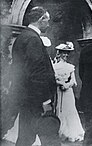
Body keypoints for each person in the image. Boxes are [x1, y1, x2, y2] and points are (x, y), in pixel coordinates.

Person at [7, 6, 60, 146]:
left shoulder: (22, 37)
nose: (48, 24)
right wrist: (45, 101)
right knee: (50, 139)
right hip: (37, 101)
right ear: (41, 19)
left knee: (26, 138)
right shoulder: (33, 39)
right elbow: (36, 72)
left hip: (26, 98)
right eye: (47, 21)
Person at [52, 42, 85, 142]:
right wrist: (60, 83)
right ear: (59, 53)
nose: (66, 55)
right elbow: (52, 79)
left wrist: (67, 85)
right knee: (58, 109)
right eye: (63, 53)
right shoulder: (54, 66)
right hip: (58, 91)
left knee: (69, 109)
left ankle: (71, 132)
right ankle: (58, 131)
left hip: (68, 92)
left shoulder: (70, 67)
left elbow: (73, 81)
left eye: (67, 53)